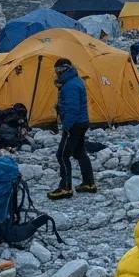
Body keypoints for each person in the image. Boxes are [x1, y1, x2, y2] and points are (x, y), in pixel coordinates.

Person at [49, 57, 96, 199]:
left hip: (74, 125)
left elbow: (72, 109)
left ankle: (65, 187)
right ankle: (89, 183)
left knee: (62, 155)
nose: (56, 73)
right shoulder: (74, 81)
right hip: (82, 122)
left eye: (58, 70)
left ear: (64, 69)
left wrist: (66, 127)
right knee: (80, 152)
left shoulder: (70, 86)